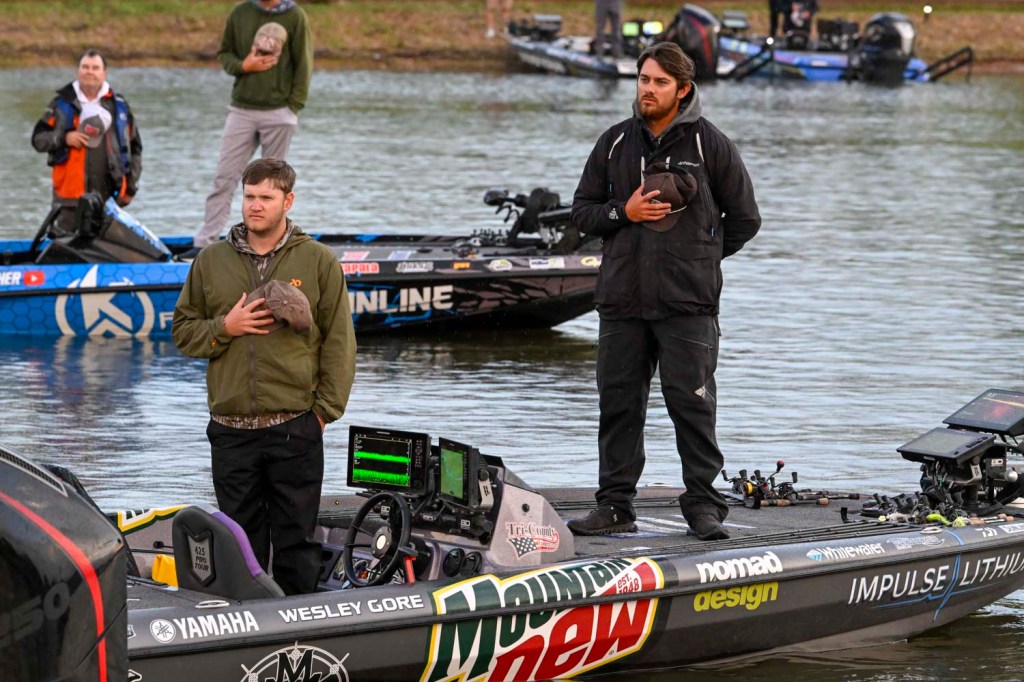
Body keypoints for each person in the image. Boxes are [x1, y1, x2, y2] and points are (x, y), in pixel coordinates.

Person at [568, 42, 761, 541]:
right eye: (643, 79)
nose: (648, 90)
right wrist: (624, 212)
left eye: (659, 82)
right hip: (622, 302)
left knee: (692, 406)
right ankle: (615, 505)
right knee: (618, 406)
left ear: (683, 89)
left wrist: (699, 258)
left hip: (687, 305)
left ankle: (703, 505)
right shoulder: (614, 143)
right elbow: (583, 212)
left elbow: (745, 219)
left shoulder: (711, 145)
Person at [172, 157, 356, 595]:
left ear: (287, 201)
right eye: (249, 196)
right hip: (230, 431)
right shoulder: (210, 261)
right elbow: (182, 332)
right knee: (238, 546)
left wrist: (322, 415)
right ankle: (245, 625)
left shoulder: (318, 261)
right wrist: (225, 327)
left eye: (266, 198)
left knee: (297, 545)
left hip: (295, 427)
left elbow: (340, 344)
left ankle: (301, 626)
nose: (255, 206)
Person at [193, 0, 313, 249]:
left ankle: (270, 245)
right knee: (224, 178)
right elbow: (225, 53)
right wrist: (243, 66)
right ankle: (205, 244)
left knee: (273, 186)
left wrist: (293, 107)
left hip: (279, 112)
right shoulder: (240, 13)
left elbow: (304, 64)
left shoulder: (295, 16)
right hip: (241, 110)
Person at [31, 49, 143, 234]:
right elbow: (38, 139)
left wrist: (130, 189)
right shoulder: (60, 103)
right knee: (64, 246)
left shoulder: (119, 106)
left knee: (108, 248)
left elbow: (136, 148)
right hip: (68, 199)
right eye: (85, 67)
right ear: (78, 71)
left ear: (104, 73)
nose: (90, 72)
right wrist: (64, 138)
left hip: (109, 199)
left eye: (95, 68)